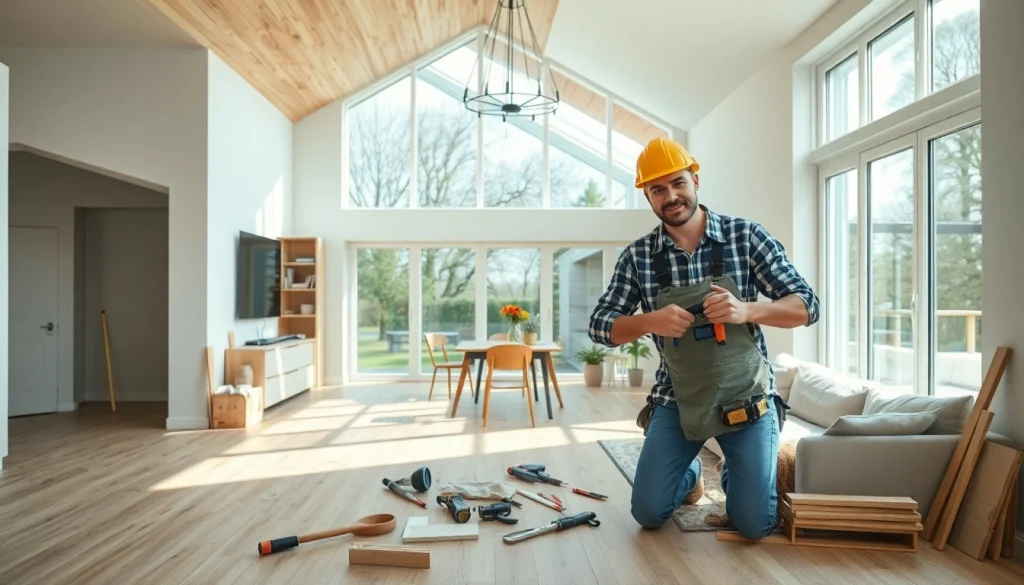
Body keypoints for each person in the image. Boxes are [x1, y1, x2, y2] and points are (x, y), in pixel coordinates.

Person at [588, 137, 819, 539]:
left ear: (695, 180)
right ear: (647, 195)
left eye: (678, 183)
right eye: (657, 189)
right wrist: (649, 321)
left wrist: (747, 310)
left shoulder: (745, 237)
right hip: (677, 399)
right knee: (648, 513)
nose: (670, 196)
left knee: (754, 524)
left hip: (746, 398)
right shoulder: (639, 257)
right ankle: (691, 473)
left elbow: (807, 306)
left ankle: (740, 472)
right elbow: (600, 326)